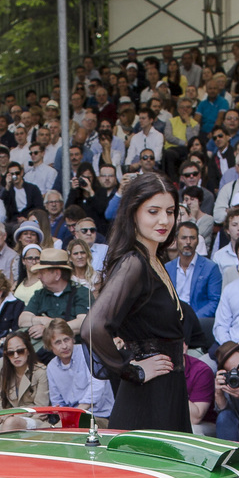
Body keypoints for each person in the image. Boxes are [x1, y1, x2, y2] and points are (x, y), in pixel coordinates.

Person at [81, 172, 192, 432]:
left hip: (167, 390)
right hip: (148, 397)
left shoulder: (153, 260)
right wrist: (132, 370)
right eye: (153, 211)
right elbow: (92, 328)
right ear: (134, 213)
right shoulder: (133, 263)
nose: (164, 220)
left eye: (170, 211)